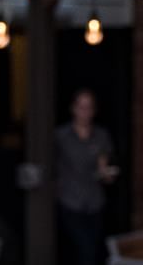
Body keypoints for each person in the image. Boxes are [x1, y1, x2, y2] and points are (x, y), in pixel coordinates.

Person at [55, 89, 119, 265]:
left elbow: (103, 166)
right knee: (84, 248)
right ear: (73, 109)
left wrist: (107, 174)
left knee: (92, 248)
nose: (85, 112)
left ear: (94, 110)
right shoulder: (61, 136)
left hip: (94, 202)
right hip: (70, 200)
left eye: (88, 107)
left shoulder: (100, 136)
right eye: (81, 107)